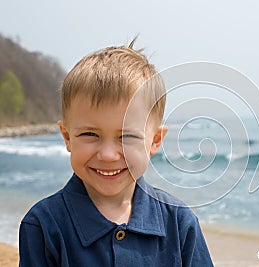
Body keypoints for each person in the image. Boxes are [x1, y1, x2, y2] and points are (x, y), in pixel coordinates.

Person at [19, 38, 214, 266]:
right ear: (67, 137)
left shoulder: (180, 223)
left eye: (127, 137)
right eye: (90, 134)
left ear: (155, 140)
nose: (108, 155)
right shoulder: (43, 226)